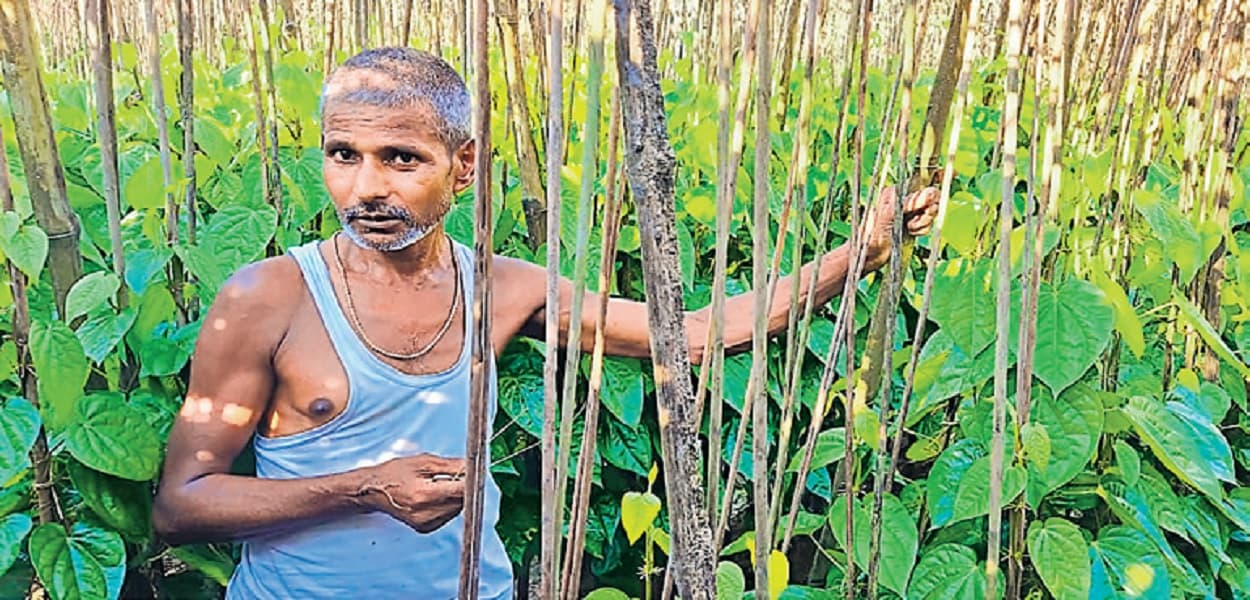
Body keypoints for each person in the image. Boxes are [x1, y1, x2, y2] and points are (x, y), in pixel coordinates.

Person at [152, 47, 939, 599]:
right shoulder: (269, 297)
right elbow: (181, 506)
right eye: (343, 155)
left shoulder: (504, 289)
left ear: (463, 165)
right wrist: (364, 488)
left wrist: (860, 255)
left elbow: (695, 334)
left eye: (401, 158)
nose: (366, 188)